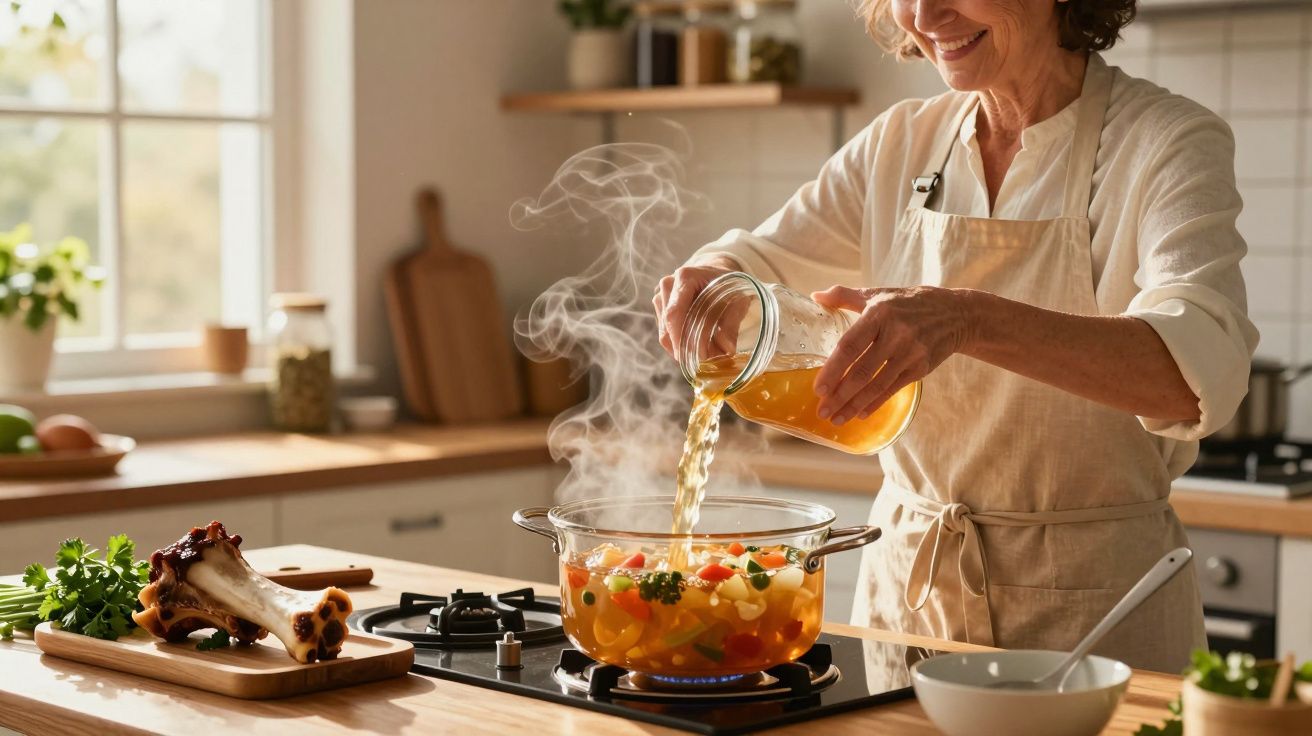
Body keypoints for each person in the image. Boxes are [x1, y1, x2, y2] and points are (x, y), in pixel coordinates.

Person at [653, 0, 1257, 673]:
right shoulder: (901, 143)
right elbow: (753, 260)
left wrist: (970, 320)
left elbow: (1195, 372)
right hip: (913, 606)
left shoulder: (1165, 140)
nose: (922, 12)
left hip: (1096, 618)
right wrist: (706, 279)